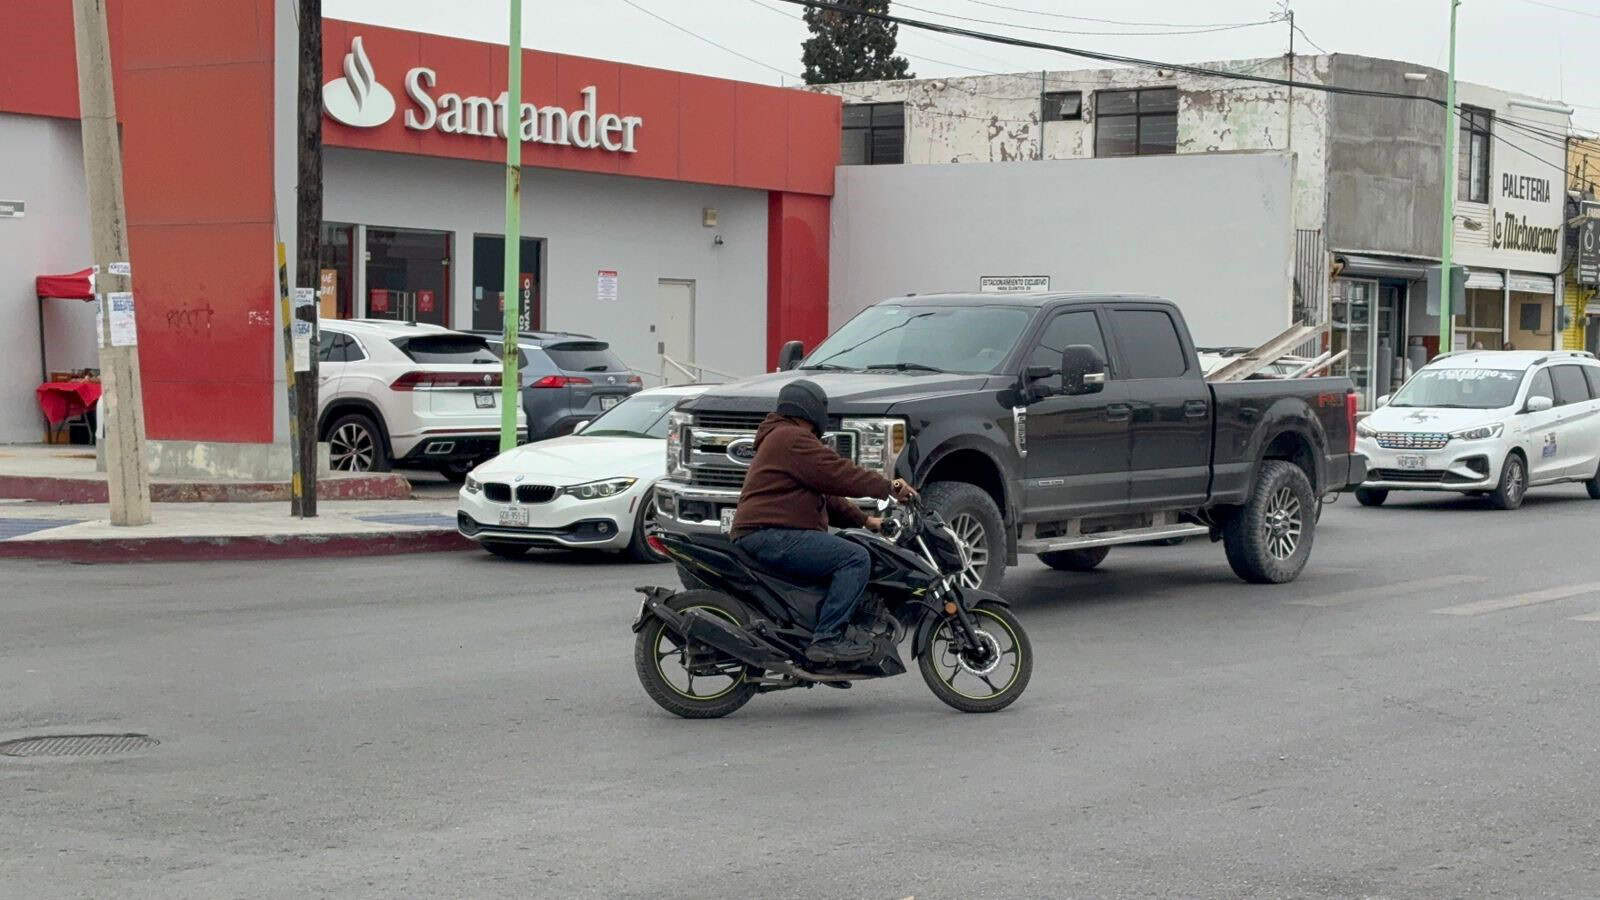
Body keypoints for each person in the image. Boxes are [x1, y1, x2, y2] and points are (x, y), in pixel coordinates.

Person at [730, 380, 917, 664]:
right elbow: (840, 474)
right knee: (855, 558)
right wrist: (889, 487)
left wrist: (867, 521)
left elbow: (826, 494)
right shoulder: (792, 438)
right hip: (770, 533)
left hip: (767, 532)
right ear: (811, 408)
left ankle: (818, 629)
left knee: (846, 546)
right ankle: (828, 639)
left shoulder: (781, 437)